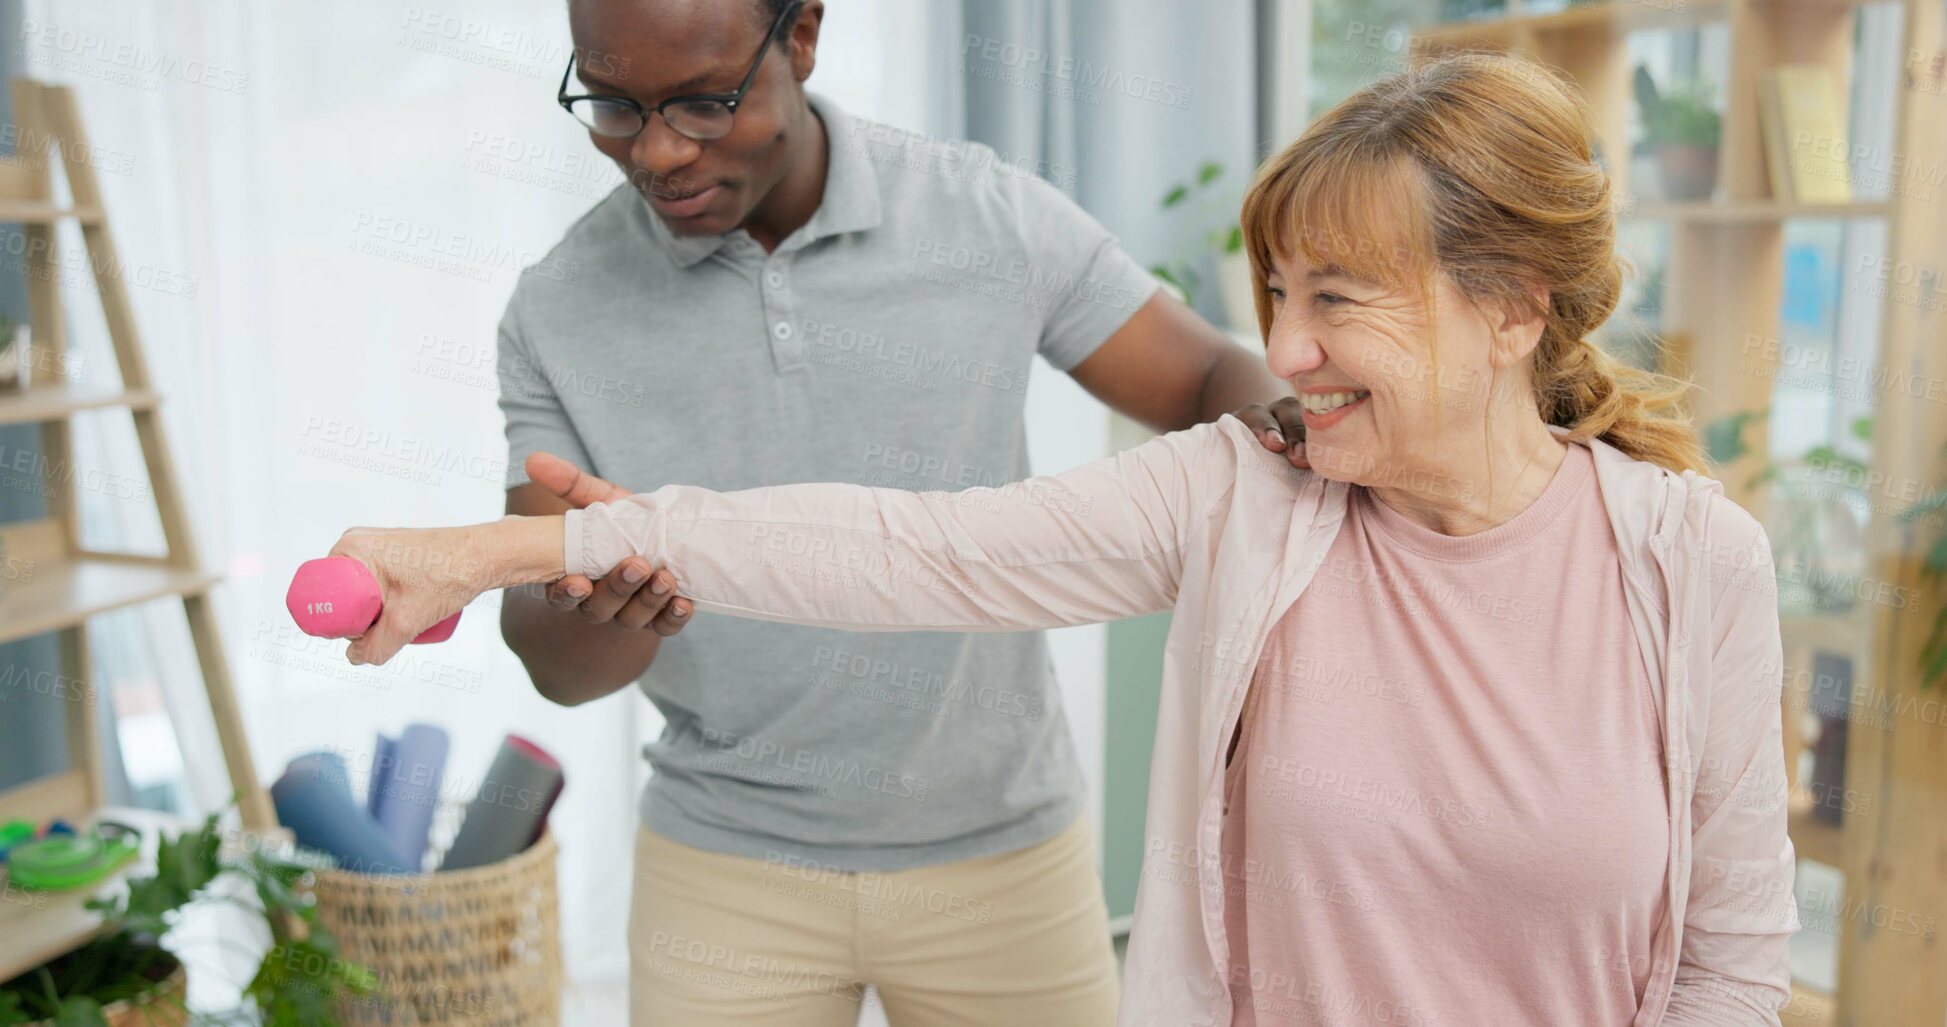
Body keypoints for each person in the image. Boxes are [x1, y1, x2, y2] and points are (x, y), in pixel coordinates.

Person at [345, 52, 1794, 1025]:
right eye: (1274, 292)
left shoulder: (1688, 563)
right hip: (736, 837)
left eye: (1336, 299)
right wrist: (485, 552)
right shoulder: (1241, 497)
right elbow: (910, 551)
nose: (1280, 348)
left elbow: (1728, 956)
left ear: (1511, 306)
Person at [496, 0, 1301, 1022]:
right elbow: (554, 658)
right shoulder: (559, 306)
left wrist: (1289, 430)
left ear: (800, 36)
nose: (657, 152)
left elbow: (1206, 378)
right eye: (613, 105)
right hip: (725, 870)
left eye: (705, 102)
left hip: (1001, 852)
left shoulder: (985, 213)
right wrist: (589, 607)